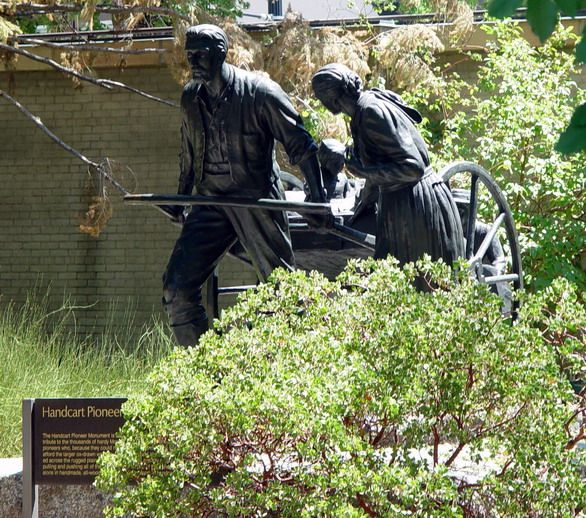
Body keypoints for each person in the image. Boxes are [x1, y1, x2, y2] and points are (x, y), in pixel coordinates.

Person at [163, 24, 326, 346]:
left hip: (256, 201)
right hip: (210, 202)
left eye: (202, 55)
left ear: (222, 53)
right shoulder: (190, 98)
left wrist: (317, 198)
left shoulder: (260, 93)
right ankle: (203, 376)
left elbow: (301, 145)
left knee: (283, 291)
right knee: (176, 288)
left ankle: (298, 364)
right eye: (190, 54)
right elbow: (189, 152)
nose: (194, 61)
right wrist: (181, 198)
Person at [311, 64, 464, 277]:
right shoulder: (363, 110)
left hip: (414, 205)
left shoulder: (371, 112)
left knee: (419, 283)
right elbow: (380, 163)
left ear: (330, 98)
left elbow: (413, 168)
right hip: (399, 204)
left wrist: (358, 169)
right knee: (394, 284)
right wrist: (362, 202)